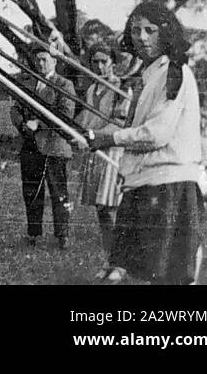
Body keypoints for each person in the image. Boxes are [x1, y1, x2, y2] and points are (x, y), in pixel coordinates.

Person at [89, 2, 207, 285]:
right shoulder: (151, 74)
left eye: (150, 30)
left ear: (165, 33)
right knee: (145, 273)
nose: (141, 37)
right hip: (149, 183)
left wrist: (111, 138)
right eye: (135, 30)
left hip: (169, 185)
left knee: (170, 277)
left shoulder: (173, 73)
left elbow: (158, 133)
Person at [11, 45, 77, 249]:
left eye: (44, 59)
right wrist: (23, 125)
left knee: (58, 192)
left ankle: (62, 235)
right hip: (31, 146)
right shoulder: (28, 84)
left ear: (54, 61)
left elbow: (65, 113)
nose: (40, 63)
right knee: (31, 192)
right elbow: (15, 108)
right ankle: (33, 233)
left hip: (54, 146)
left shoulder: (64, 84)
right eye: (37, 60)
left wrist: (38, 124)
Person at [74, 44, 130, 264]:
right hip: (95, 152)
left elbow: (120, 124)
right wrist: (75, 132)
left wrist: (93, 135)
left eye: (103, 61)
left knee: (112, 208)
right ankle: (110, 259)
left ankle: (122, 260)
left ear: (112, 63)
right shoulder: (91, 89)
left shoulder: (121, 89)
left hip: (113, 152)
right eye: (95, 62)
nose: (99, 66)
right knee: (101, 208)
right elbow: (86, 119)